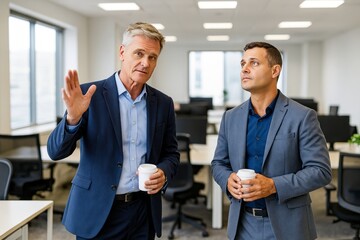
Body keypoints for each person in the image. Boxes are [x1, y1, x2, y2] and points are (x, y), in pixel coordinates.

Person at [47, 22, 180, 239]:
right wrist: (73, 118)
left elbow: (171, 153)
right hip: (98, 212)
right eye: (139, 53)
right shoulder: (89, 95)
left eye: (152, 57)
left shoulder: (163, 103)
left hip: (142, 211)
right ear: (122, 52)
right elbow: (55, 152)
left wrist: (163, 172)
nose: (145, 63)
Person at [211, 42, 332, 240]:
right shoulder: (231, 117)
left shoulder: (302, 116)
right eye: (242, 64)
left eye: (254, 63)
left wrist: (273, 185)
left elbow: (320, 171)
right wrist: (227, 179)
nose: (244, 69)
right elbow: (218, 163)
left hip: (288, 225)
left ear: (275, 70)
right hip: (242, 224)